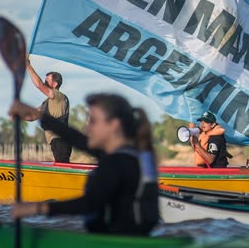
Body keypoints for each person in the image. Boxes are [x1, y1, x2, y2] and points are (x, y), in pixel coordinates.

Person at [11, 92, 160, 235]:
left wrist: (35, 208)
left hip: (117, 243)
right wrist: (38, 115)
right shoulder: (129, 156)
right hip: (128, 238)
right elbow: (76, 138)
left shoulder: (118, 162)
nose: (88, 128)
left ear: (114, 124)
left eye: (93, 121)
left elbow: (89, 203)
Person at [21, 57, 71, 163]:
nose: (44, 83)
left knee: (63, 168)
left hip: (61, 140)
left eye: (47, 81)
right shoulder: (47, 103)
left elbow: (39, 85)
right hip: (55, 142)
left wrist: (28, 66)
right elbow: (32, 116)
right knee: (61, 166)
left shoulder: (58, 96)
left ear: (55, 84)